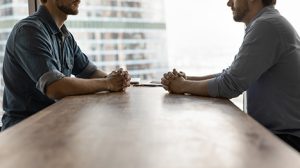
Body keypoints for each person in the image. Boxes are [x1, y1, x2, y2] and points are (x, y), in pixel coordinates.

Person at [161, 0, 300, 151]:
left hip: (286, 141)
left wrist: (182, 86)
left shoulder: (266, 26)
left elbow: (230, 85)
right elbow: (231, 75)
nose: (228, 3)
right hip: (277, 136)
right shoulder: (267, 23)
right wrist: (186, 80)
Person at [1, 0, 131, 131]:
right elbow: (55, 87)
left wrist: (118, 79)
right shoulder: (29, 30)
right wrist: (108, 83)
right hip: (23, 130)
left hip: (52, 122)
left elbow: (90, 72)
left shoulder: (66, 36)